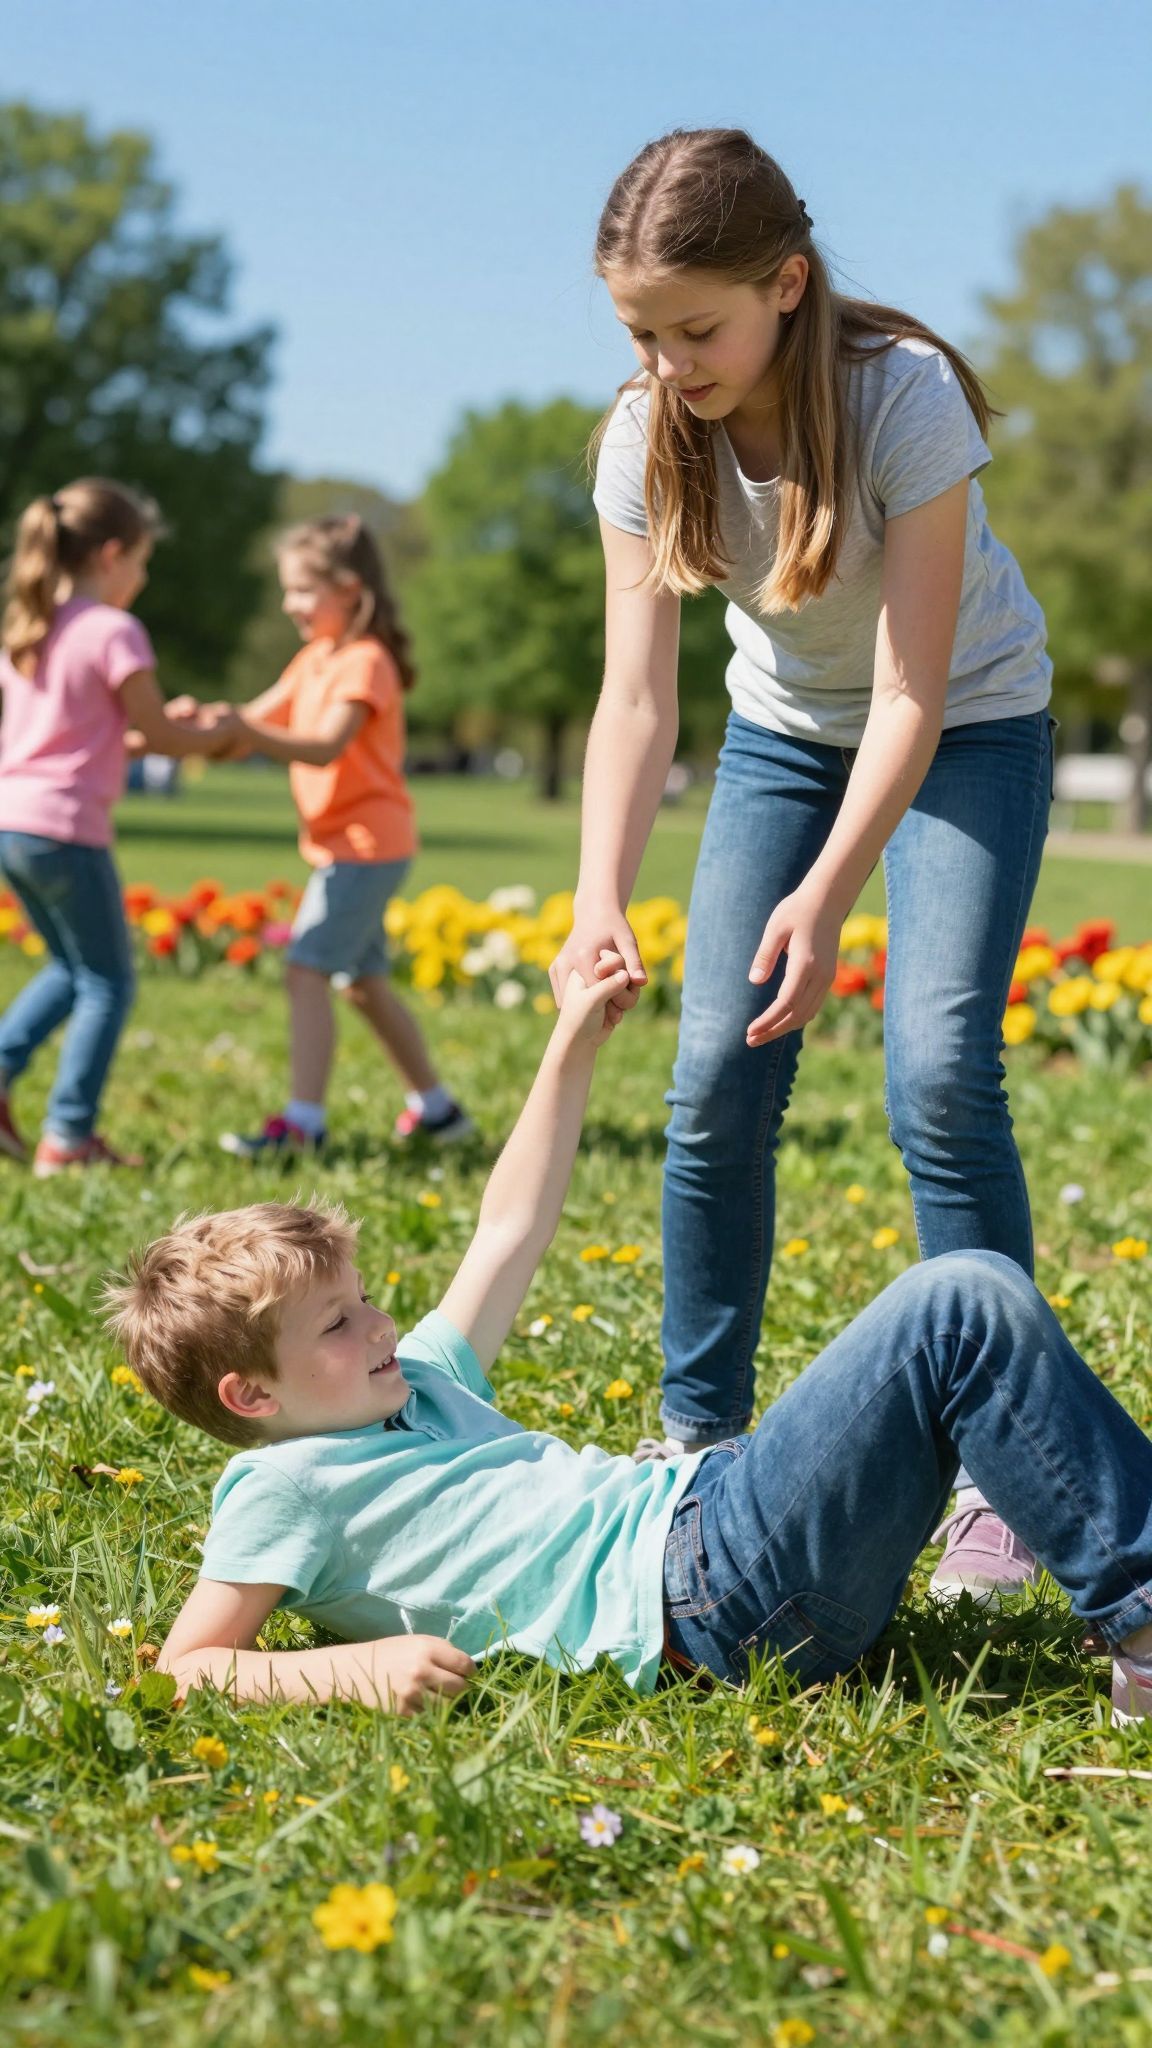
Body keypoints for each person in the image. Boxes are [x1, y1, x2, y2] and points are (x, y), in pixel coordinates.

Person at [108, 961, 1152, 1724]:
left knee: (965, 1309)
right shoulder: (285, 1484)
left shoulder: (414, 1381)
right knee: (958, 1301)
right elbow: (187, 1665)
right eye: (338, 1323)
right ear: (252, 1395)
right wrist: (353, 1668)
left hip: (724, 1522)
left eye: (364, 1299)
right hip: (703, 1587)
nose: (380, 1322)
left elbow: (509, 1226)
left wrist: (573, 1040)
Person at [549, 127, 1056, 1605]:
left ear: (785, 285)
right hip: (780, 742)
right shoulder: (644, 435)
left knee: (942, 1066)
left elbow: (913, 693)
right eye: (641, 330)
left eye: (696, 328)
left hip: (967, 722)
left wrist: (827, 899)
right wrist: (595, 900)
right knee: (713, 1073)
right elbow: (637, 700)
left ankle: (1001, 1484)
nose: (670, 361)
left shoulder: (903, 402)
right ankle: (701, 1437)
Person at [207, 516, 471, 1158]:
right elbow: (252, 719)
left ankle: (304, 1125)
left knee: (306, 970)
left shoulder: (366, 662)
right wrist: (189, 724)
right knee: (362, 984)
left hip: (368, 845)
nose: (288, 604)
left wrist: (233, 728)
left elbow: (324, 745)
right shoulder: (314, 659)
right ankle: (440, 1113)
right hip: (346, 846)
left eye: (301, 590)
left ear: (349, 589)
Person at [0, 478, 239, 1176]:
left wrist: (152, 735)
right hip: (69, 830)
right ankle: (68, 1137)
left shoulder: (30, 627)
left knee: (72, 969)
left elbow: (75, 736)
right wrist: (219, 735)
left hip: (13, 825)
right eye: (141, 563)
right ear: (112, 554)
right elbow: (158, 731)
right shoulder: (112, 630)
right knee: (108, 982)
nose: (140, 578)